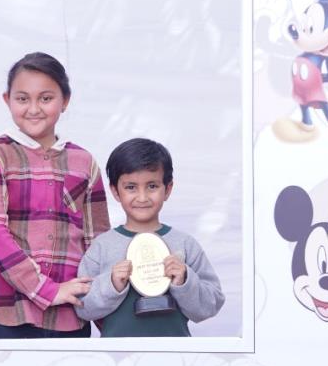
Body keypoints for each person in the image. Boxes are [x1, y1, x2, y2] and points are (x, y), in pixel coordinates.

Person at [0, 52, 109, 338]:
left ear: (65, 101)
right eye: (23, 99)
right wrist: (47, 290)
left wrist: (105, 314)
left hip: (70, 313)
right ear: (7, 100)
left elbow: (97, 243)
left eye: (46, 98)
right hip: (6, 310)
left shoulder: (84, 163)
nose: (34, 108)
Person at [78, 138, 224, 338]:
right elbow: (82, 307)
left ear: (168, 189)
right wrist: (111, 284)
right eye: (131, 187)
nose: (142, 197)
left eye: (152, 186)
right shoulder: (102, 247)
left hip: (175, 352)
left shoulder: (185, 244)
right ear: (115, 191)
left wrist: (185, 280)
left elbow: (212, 304)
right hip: (118, 354)